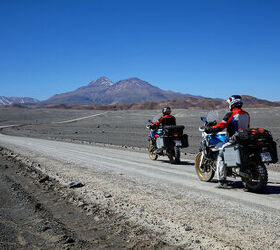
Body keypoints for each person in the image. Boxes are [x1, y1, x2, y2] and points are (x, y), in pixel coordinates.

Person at [204, 95, 250, 188]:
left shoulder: (231, 114)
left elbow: (220, 126)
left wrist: (209, 129)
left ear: (232, 103)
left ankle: (222, 181)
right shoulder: (246, 114)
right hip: (246, 140)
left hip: (234, 141)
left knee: (221, 155)